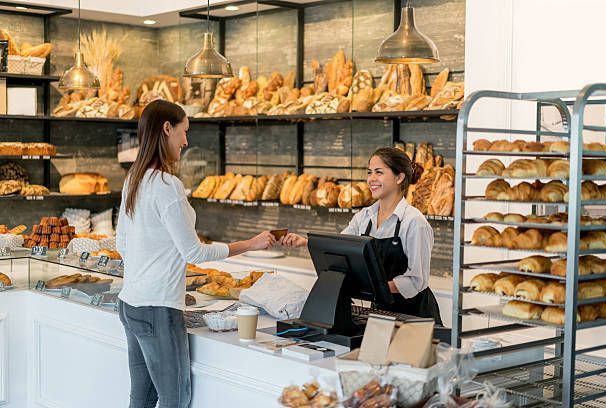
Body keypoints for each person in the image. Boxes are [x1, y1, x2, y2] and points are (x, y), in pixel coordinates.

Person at [115, 100, 275, 408]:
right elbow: (194, 252)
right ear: (167, 129)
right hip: (158, 309)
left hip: (130, 302)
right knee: (175, 399)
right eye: (184, 131)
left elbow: (121, 242)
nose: (186, 141)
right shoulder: (167, 184)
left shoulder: (134, 177)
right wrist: (251, 244)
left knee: (142, 398)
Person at [281, 147, 442, 325]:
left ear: (399, 177)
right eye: (369, 172)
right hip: (380, 312)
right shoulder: (365, 217)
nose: (371, 179)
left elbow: (416, 280)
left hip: (415, 317)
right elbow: (339, 245)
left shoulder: (414, 222)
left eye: (379, 172)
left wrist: (373, 287)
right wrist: (305, 242)